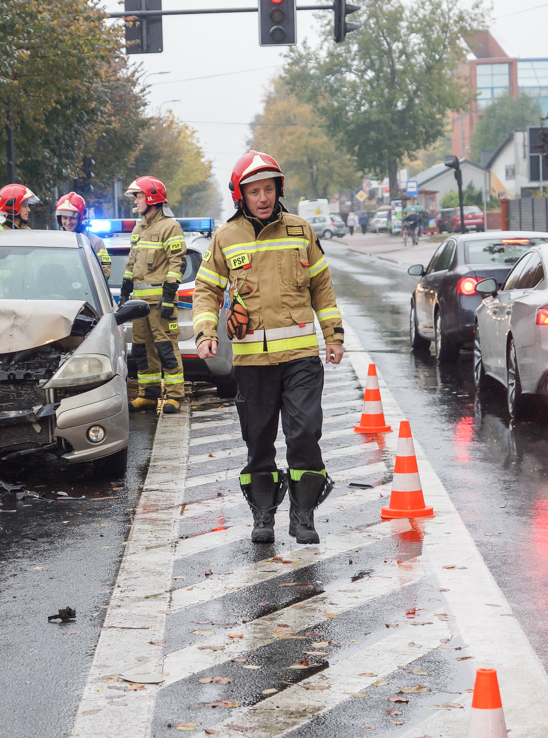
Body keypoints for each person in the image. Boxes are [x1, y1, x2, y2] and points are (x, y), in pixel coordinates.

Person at [192, 150, 345, 545]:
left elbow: (322, 290)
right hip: (252, 362)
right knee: (258, 441)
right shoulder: (225, 238)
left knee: (305, 434)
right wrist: (206, 332)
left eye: (268, 188)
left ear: (278, 189)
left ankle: (304, 515)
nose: (262, 197)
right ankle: (263, 515)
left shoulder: (300, 231)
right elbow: (206, 290)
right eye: (254, 191)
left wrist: (333, 335)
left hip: (301, 359)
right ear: (240, 196)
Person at [120, 176, 185, 414]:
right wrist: (125, 292)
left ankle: (175, 396)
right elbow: (131, 263)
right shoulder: (139, 227)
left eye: (137, 196)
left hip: (160, 303)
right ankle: (148, 395)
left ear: (151, 197)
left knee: (166, 348)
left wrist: (168, 297)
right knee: (141, 350)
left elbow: (177, 263)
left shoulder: (170, 227)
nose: (135, 201)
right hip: (139, 304)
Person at [56, 192, 111, 278]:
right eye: (65, 218)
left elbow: (105, 272)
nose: (68, 222)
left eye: (72, 218)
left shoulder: (96, 242)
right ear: (60, 219)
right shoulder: (55, 241)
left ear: (80, 217)